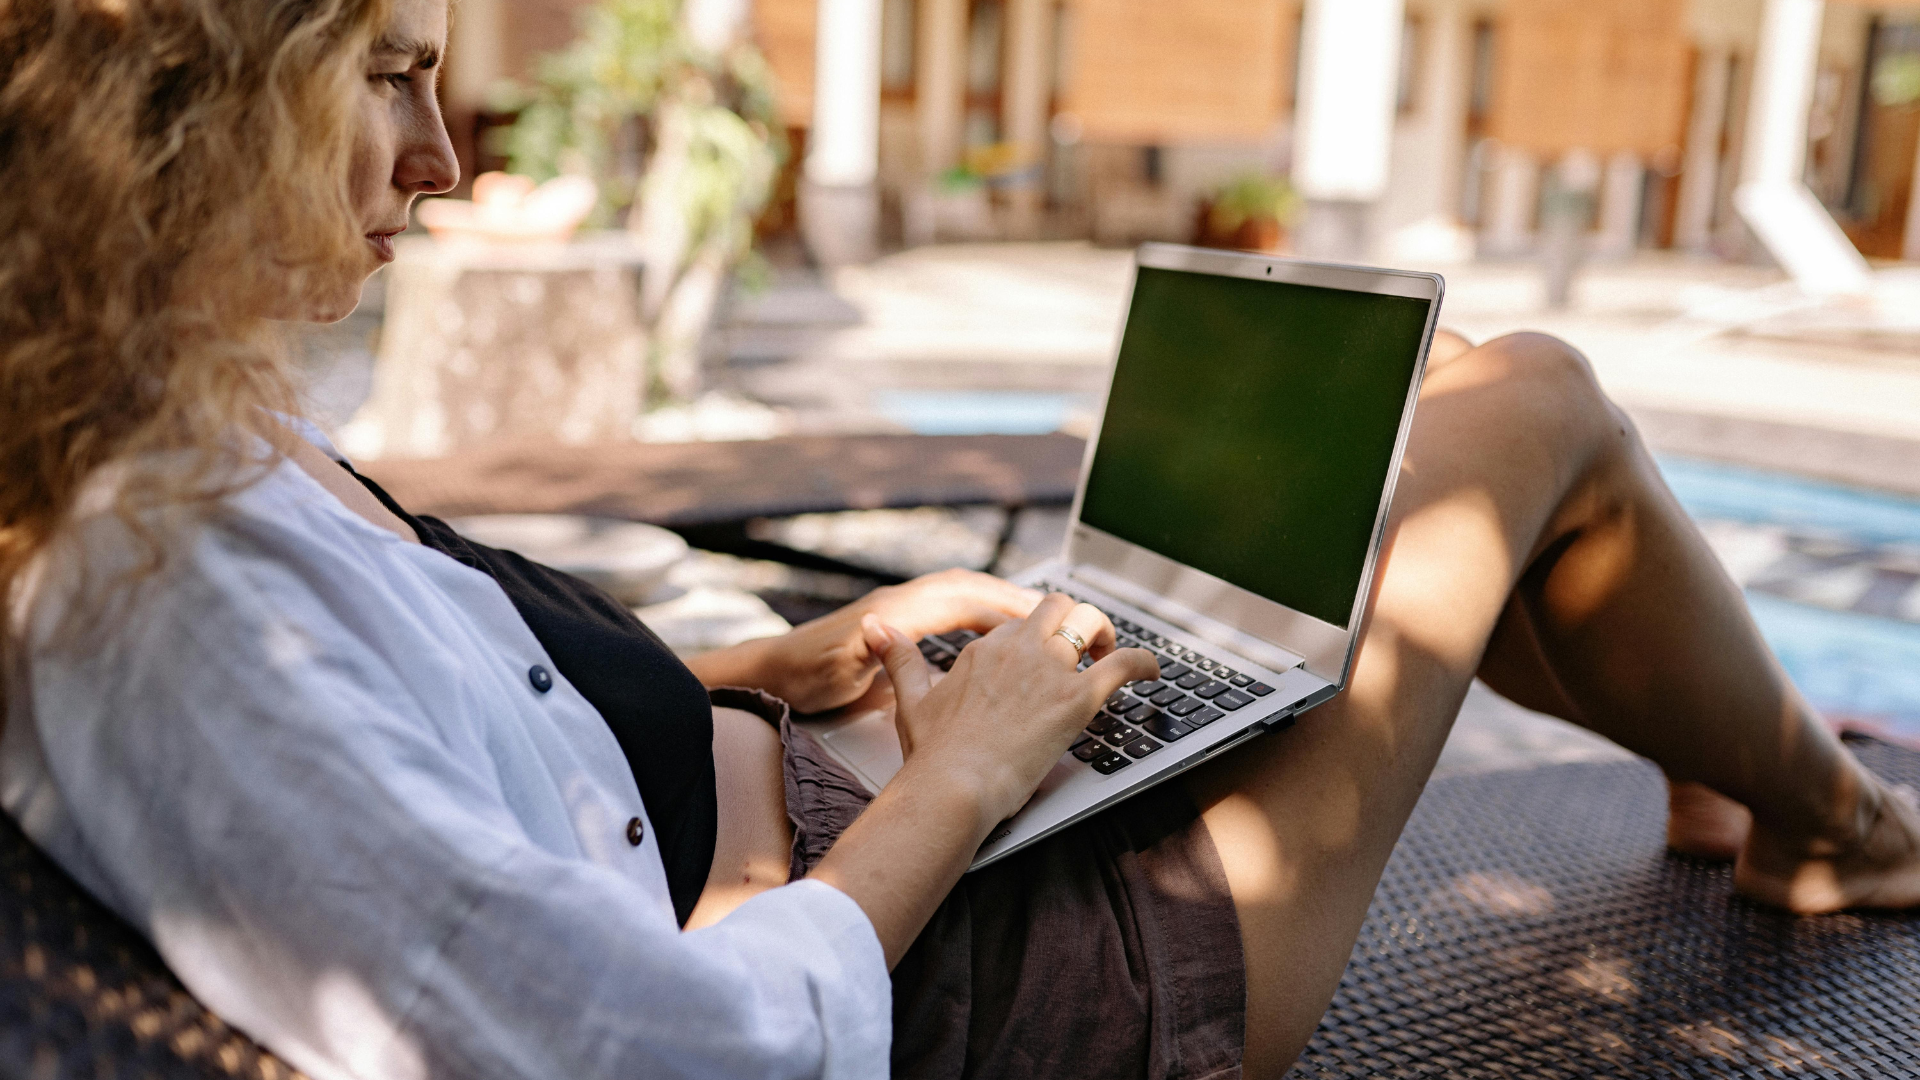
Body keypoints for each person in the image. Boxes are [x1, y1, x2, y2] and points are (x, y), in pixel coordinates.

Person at [2, 1, 1916, 1077]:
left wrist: (766, 678)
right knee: (1541, 396)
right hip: (1023, 994)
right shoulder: (157, 592)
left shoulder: (167, 449)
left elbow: (452, 730)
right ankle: (1828, 826)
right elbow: (676, 1063)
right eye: (387, 75)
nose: (446, 155)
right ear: (181, 105)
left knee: (1463, 397)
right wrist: (971, 767)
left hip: (865, 830)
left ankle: (1742, 786)